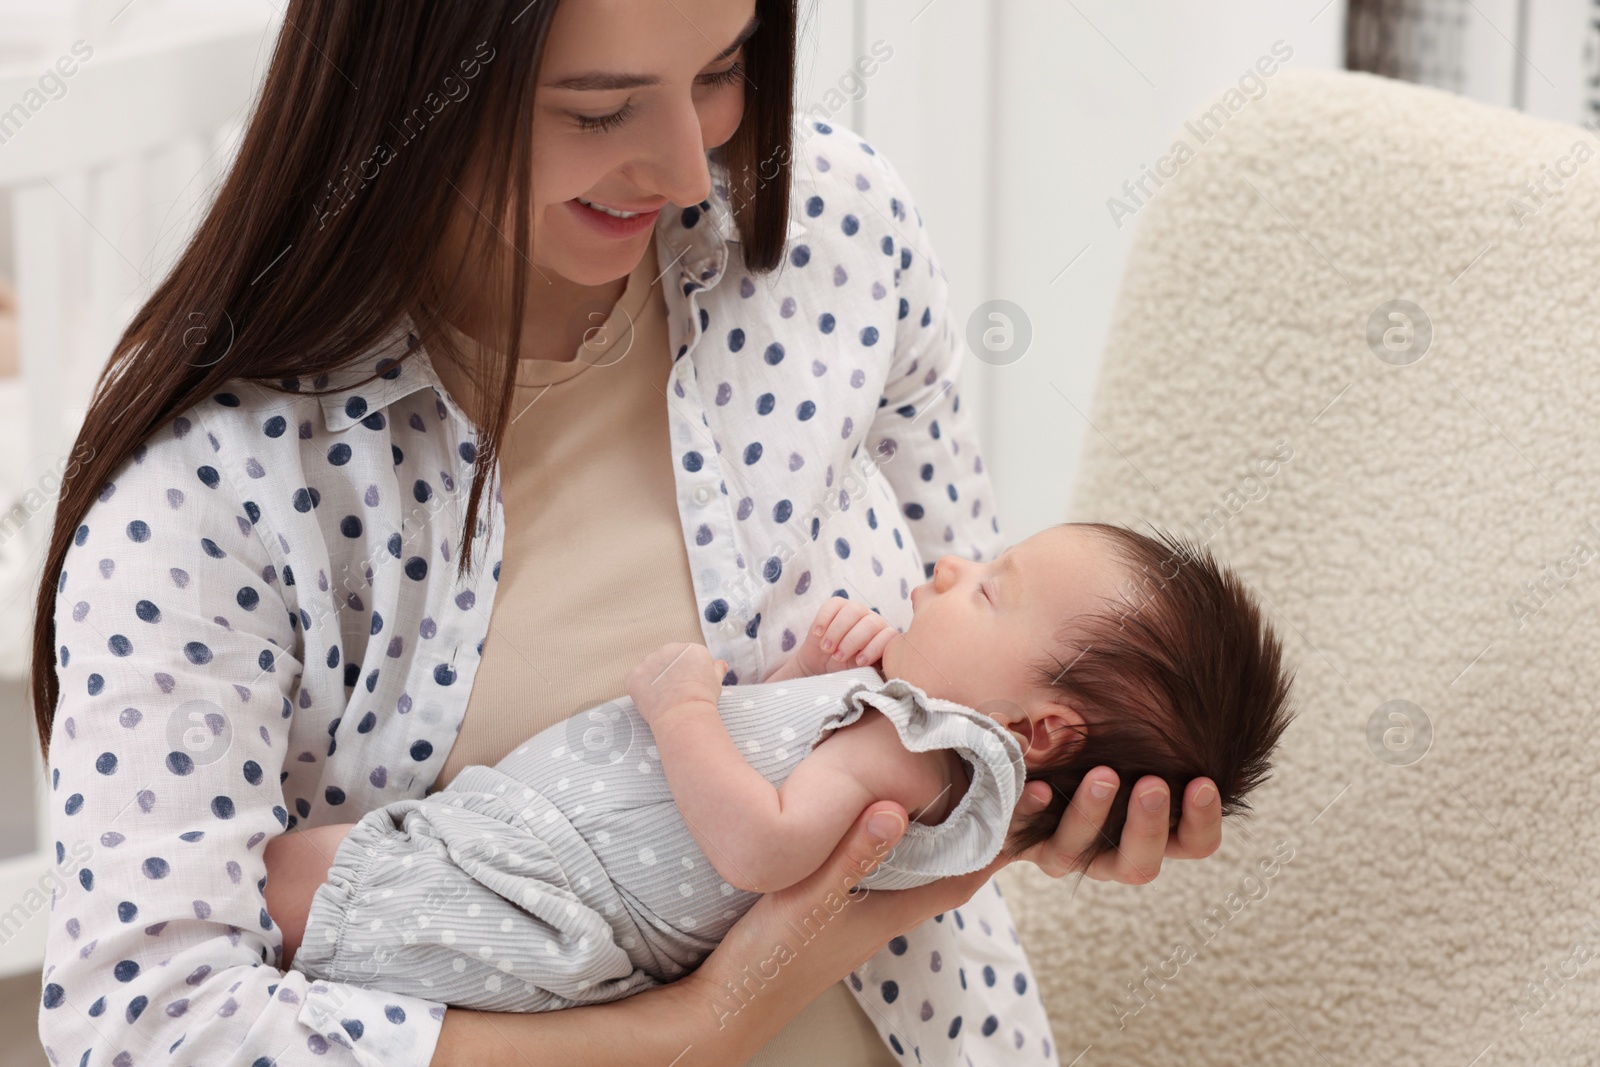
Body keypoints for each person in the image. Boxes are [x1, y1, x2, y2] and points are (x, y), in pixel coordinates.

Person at [31, 3, 1227, 1065]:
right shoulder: (217, 478)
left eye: (721, 68)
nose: (688, 172)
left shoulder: (835, 236)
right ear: (405, 78)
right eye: (598, 110)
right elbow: (144, 1024)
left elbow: (976, 651)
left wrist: (1038, 809)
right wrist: (684, 1034)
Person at [261, 521, 1292, 1066]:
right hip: (524, 866)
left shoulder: (918, 752)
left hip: (543, 890)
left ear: (1035, 732)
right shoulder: (903, 733)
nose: (945, 564)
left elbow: (759, 847)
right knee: (280, 896)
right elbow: (789, 773)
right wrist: (802, 676)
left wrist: (683, 712)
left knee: (258, 898)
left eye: (987, 588)